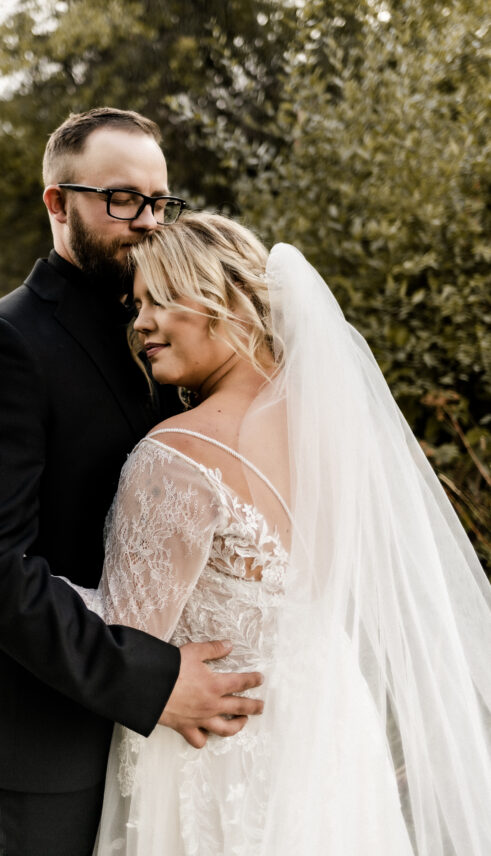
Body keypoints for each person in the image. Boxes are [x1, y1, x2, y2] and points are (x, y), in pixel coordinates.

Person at [66, 211, 491, 856]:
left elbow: (128, 641)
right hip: (331, 740)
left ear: (227, 302)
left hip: (216, 755)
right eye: (137, 305)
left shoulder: (175, 457)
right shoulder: (340, 433)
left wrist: (32, 588)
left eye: (161, 300)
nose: (140, 324)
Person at [0, 110, 263, 856]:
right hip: (44, 739)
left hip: (186, 755)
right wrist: (151, 682)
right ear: (57, 202)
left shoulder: (173, 332)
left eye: (158, 200)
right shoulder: (3, 343)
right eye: (121, 199)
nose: (146, 220)